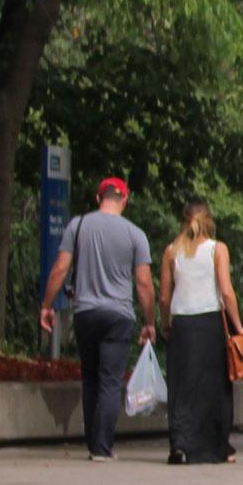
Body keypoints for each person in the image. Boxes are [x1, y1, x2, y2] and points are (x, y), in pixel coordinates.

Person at [37, 176, 155, 462]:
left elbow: (60, 268)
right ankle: (102, 447)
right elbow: (143, 283)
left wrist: (46, 306)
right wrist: (150, 322)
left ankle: (93, 443)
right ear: (124, 200)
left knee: (90, 378)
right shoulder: (135, 234)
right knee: (110, 381)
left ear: (98, 197)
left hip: (86, 313)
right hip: (119, 315)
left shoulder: (77, 226)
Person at [157, 200, 243, 464]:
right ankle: (216, 447)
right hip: (210, 323)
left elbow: (164, 296)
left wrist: (165, 323)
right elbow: (227, 291)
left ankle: (180, 445)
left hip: (182, 323)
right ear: (209, 220)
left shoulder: (171, 251)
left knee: (181, 385)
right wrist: (239, 326)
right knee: (214, 387)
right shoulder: (217, 249)